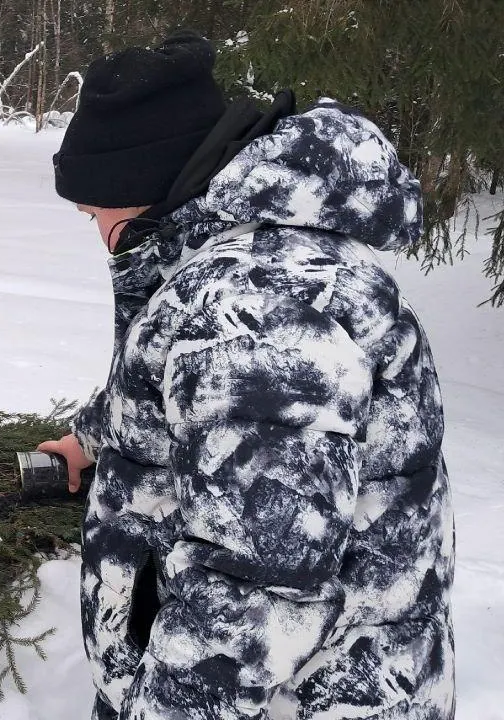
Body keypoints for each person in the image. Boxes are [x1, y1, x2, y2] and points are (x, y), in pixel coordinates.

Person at [38, 31, 455, 719]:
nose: (92, 225)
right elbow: (191, 393)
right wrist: (91, 439)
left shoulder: (256, 316)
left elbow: (254, 600)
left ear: (136, 187)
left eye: (92, 209)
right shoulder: (237, 269)